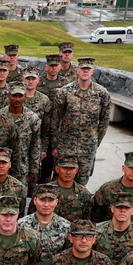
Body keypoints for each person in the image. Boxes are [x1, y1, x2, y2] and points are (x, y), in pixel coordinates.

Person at [52, 57, 111, 186]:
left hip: (87, 148)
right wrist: (55, 144)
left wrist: (95, 142)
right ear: (77, 70)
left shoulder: (102, 94)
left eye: (88, 69)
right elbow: (55, 120)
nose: (85, 71)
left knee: (81, 183)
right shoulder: (64, 92)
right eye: (83, 69)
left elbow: (104, 122)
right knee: (60, 183)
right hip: (66, 147)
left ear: (92, 71)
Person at [47, 155, 93, 222]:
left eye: (72, 168)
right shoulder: (45, 190)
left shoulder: (84, 194)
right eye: (65, 168)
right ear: (57, 169)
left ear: (76, 170)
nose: (68, 172)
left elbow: (87, 221)